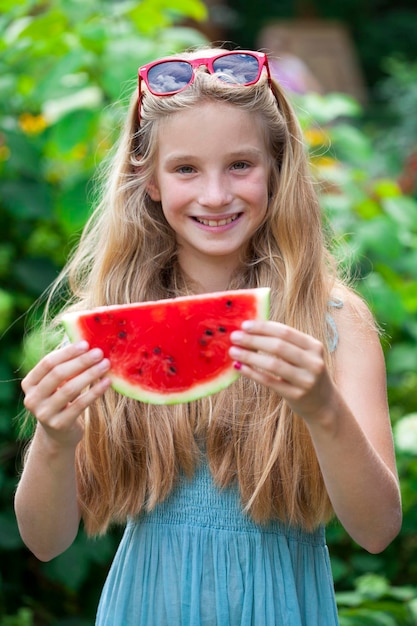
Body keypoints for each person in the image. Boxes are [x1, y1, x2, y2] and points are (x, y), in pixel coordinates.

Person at [15, 46, 402, 626]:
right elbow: (45, 542)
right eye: (186, 168)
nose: (216, 195)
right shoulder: (112, 319)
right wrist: (53, 437)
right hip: (146, 607)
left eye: (240, 165)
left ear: (277, 168)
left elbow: (377, 531)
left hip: (281, 608)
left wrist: (324, 409)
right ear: (148, 180)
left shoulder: (335, 318)